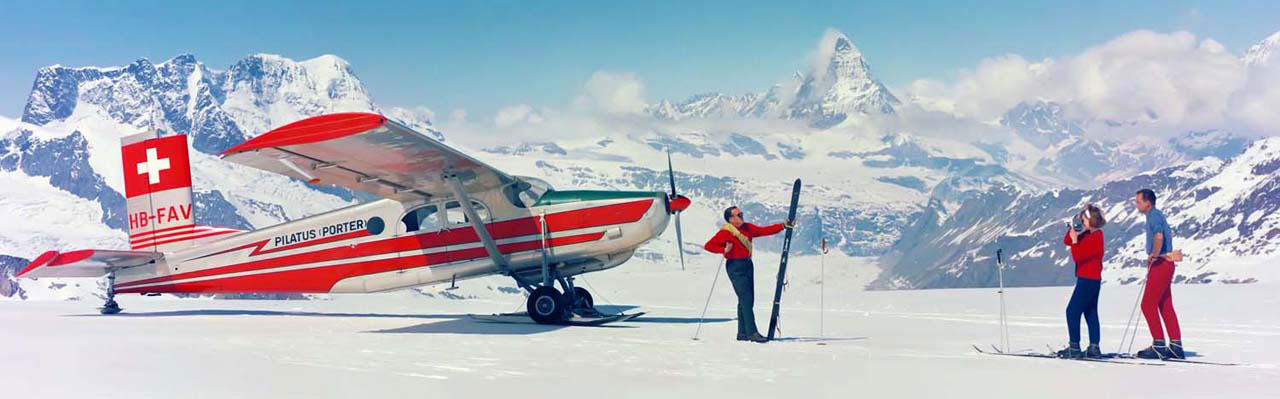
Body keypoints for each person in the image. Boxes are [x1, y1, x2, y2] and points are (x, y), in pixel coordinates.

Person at [703, 206, 793, 343]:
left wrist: (782, 226)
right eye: (738, 214)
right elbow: (708, 246)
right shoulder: (726, 232)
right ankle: (752, 332)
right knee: (746, 299)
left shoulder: (747, 228)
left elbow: (763, 231)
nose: (741, 216)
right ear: (731, 219)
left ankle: (742, 333)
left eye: (741, 214)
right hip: (735, 266)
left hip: (747, 264)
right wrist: (723, 249)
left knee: (745, 299)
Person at [1134, 188, 1184, 359]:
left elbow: (1159, 236)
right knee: (1164, 305)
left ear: (1147, 203)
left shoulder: (1153, 216)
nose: (1136, 205)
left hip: (1160, 263)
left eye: (1138, 202)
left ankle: (1159, 345)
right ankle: (1176, 346)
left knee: (1147, 305)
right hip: (1167, 264)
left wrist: (1154, 255)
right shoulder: (1157, 215)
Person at [1056, 204, 1106, 359]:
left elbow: (1078, 256)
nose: (1081, 221)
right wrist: (1075, 227)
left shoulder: (1096, 237)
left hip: (1088, 280)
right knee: (1090, 312)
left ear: (1091, 221)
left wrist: (1075, 240)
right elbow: (1067, 241)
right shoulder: (1086, 234)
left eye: (1084, 219)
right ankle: (1094, 347)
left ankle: (1074, 347)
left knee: (1072, 311)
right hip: (1090, 279)